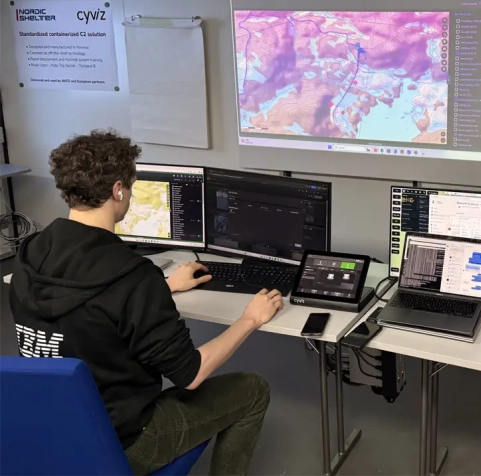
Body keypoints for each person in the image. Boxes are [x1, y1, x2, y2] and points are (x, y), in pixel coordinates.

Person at [10, 129, 283, 475]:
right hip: (124, 442)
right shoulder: (133, 276)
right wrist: (250, 320)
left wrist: (164, 286)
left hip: (53, 430)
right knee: (252, 389)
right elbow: (191, 374)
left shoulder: (30, 253)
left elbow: (90, 306)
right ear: (118, 190)